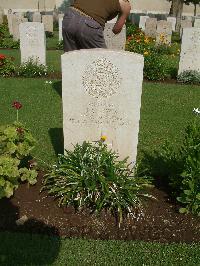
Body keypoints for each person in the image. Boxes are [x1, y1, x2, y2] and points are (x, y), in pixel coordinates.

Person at [62, 0, 131, 52]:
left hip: (70, 16)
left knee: (71, 60)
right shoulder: (125, 5)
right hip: (89, 25)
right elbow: (116, 30)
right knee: (102, 62)